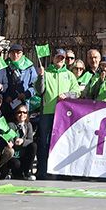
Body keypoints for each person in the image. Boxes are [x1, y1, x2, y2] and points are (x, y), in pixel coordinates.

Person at [38, 47, 80, 179]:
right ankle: (42, 171)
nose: (60, 60)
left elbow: (77, 92)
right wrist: (41, 77)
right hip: (48, 112)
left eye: (62, 58)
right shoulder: (46, 73)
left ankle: (63, 173)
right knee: (44, 143)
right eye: (58, 57)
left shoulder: (69, 75)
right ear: (53, 58)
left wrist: (66, 94)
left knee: (63, 143)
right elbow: (39, 90)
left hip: (63, 115)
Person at [3, 44, 39, 119]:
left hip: (23, 103)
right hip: (7, 102)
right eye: (13, 53)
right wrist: (6, 96)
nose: (15, 55)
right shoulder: (4, 65)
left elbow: (35, 85)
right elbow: (1, 82)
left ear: (22, 54)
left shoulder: (29, 67)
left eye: (18, 53)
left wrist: (26, 94)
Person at [6, 105, 36, 180]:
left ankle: (27, 172)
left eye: (24, 112)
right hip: (14, 154)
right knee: (16, 165)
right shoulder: (11, 125)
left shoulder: (28, 125)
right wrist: (12, 142)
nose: (22, 114)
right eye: (19, 112)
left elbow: (30, 140)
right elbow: (9, 138)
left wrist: (23, 141)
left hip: (24, 154)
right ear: (15, 114)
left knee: (33, 146)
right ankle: (13, 172)